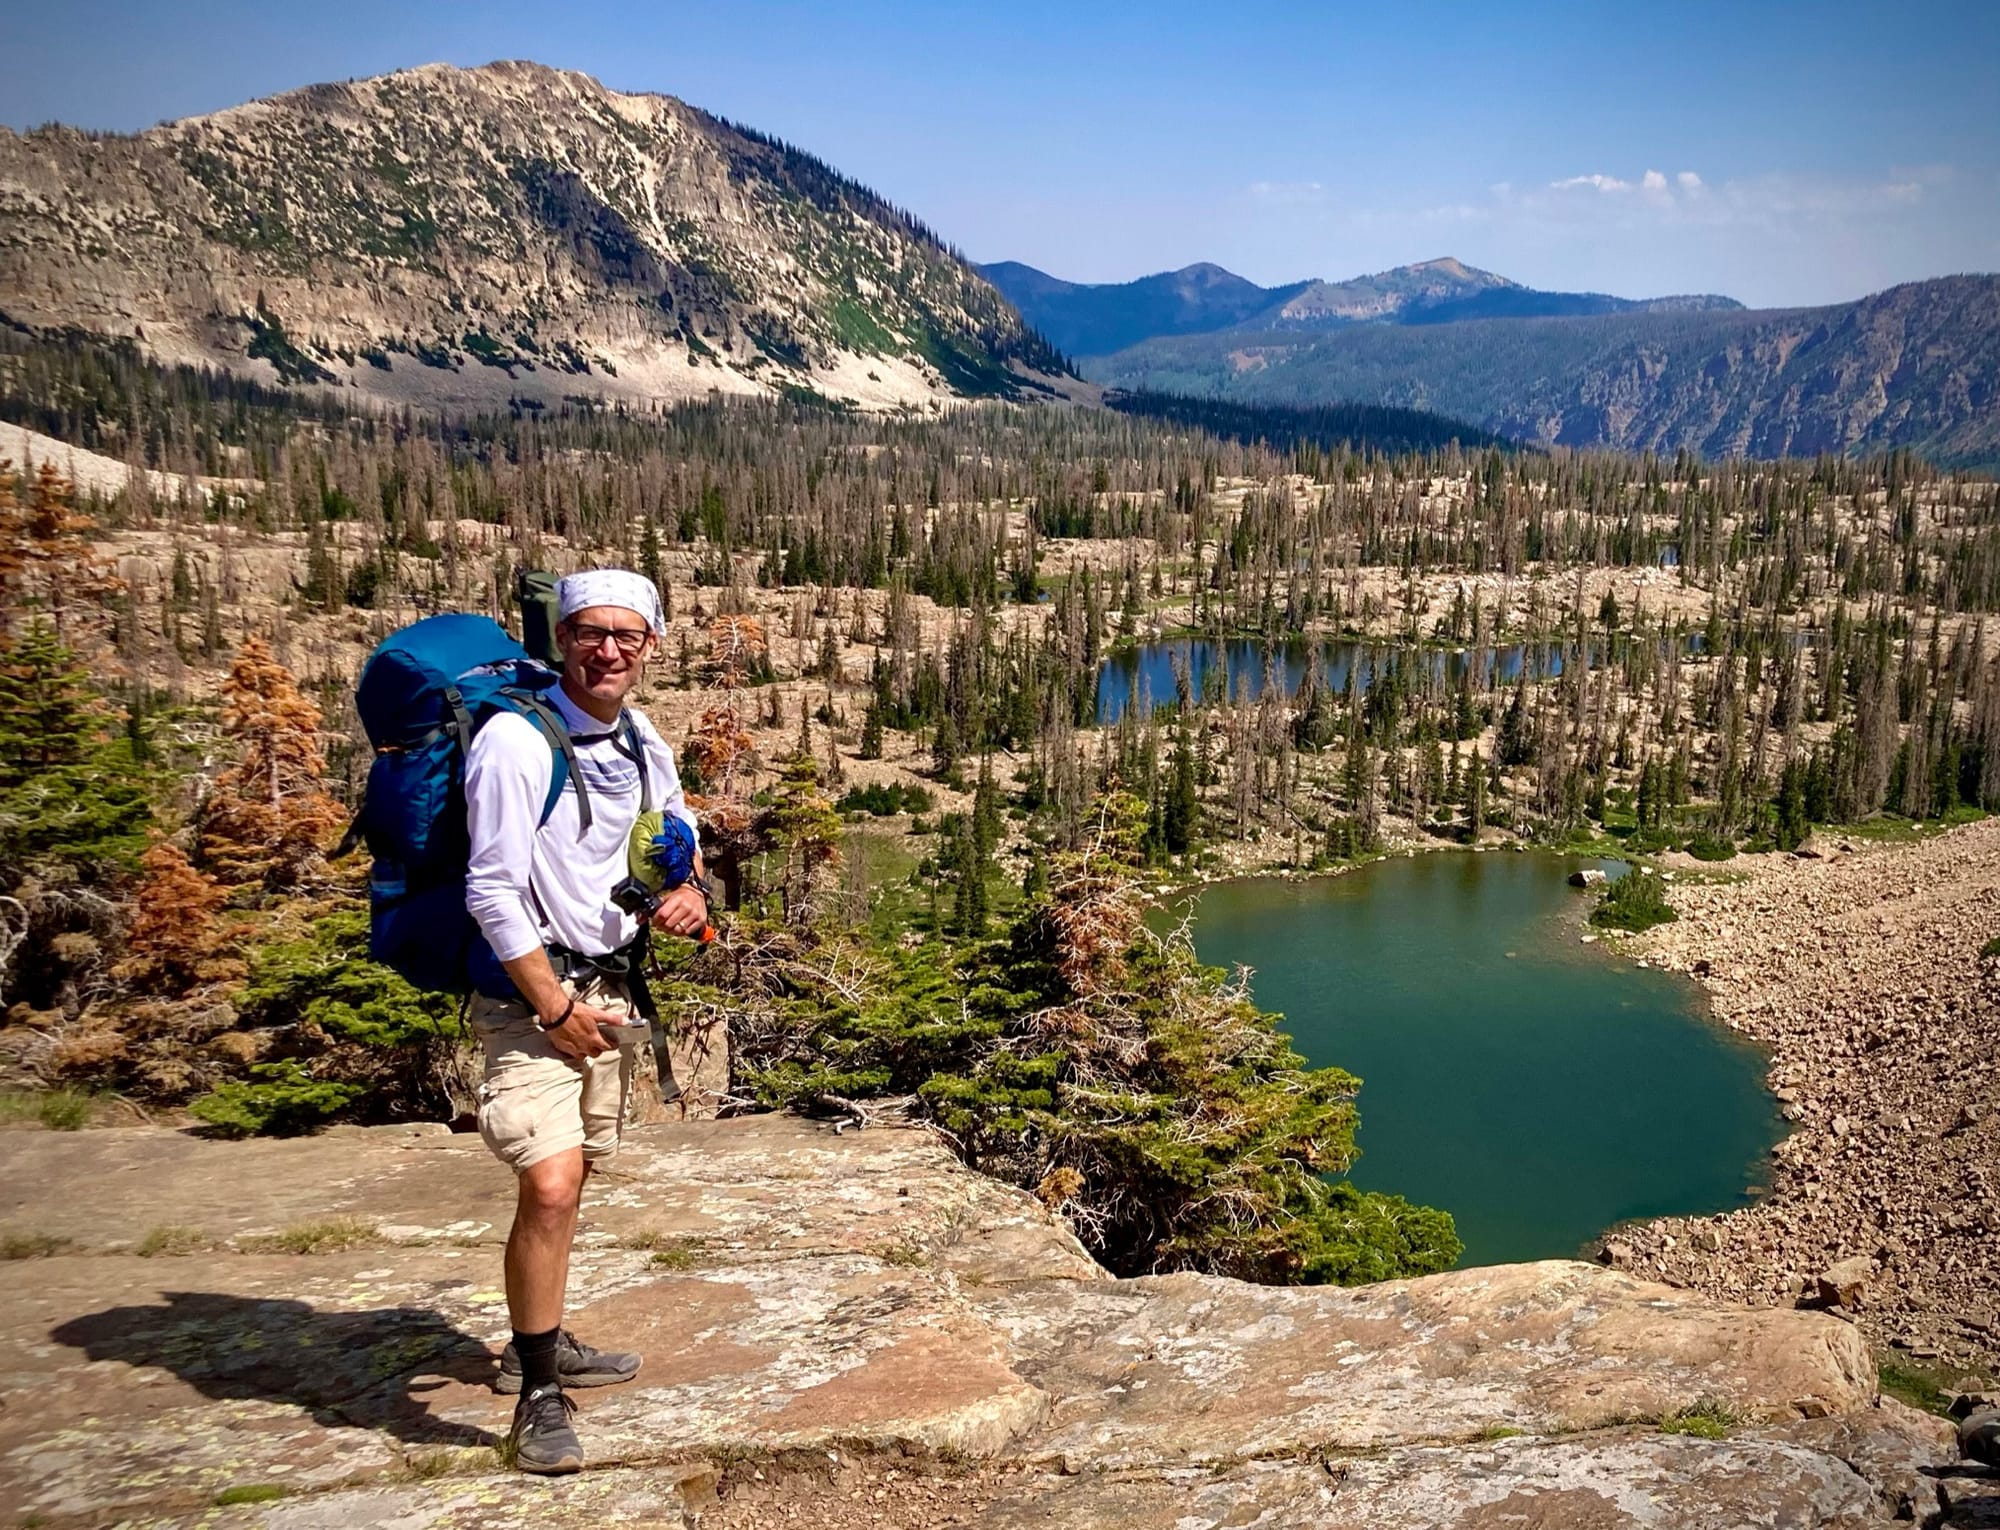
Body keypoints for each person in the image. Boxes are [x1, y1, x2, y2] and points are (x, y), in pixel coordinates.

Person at [462, 568, 710, 1475]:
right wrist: (552, 1007)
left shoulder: (643, 740)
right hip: (534, 995)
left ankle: (541, 1334)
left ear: (650, 644)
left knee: (573, 1177)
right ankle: (536, 1391)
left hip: (608, 989)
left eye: (627, 635)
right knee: (553, 1181)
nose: (607, 650)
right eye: (588, 633)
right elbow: (490, 887)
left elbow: (667, 842)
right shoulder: (515, 744)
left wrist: (682, 891)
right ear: (560, 638)